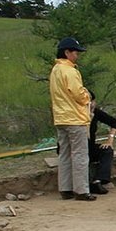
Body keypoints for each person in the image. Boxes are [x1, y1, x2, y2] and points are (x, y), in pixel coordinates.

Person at [49, 37, 96, 201]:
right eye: (75, 52)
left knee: (64, 154)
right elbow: (78, 93)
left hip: (60, 117)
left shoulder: (55, 70)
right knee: (80, 154)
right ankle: (81, 190)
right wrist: (87, 96)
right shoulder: (70, 71)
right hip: (75, 118)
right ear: (67, 52)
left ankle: (65, 188)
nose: (77, 55)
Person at [88, 100, 116, 195]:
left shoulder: (95, 112)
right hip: (76, 148)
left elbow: (115, 123)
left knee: (107, 150)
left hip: (90, 147)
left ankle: (101, 180)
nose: (90, 104)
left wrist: (110, 140)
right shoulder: (75, 114)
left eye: (92, 101)